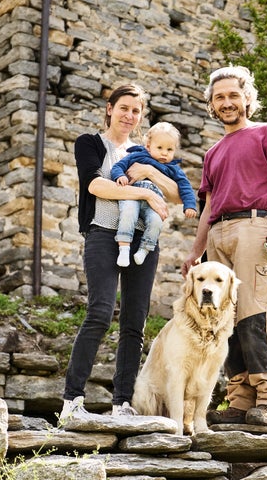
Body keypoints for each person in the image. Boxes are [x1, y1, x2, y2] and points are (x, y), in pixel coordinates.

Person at [182, 65, 267, 426]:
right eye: (220, 98)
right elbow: (209, 207)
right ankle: (240, 400)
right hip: (219, 231)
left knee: (254, 313)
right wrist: (195, 252)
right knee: (223, 319)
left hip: (255, 224)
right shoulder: (213, 153)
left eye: (234, 95)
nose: (227, 102)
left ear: (247, 98)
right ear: (212, 106)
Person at [60, 83, 182, 424]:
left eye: (136, 110)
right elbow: (95, 185)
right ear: (110, 108)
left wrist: (149, 174)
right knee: (99, 312)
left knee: (134, 322)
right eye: (124, 107)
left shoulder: (146, 152)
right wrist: (144, 195)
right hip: (102, 233)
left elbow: (174, 193)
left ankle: (122, 403)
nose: (130, 115)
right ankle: (72, 401)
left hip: (145, 241)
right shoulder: (91, 143)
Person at [111, 122, 197, 267]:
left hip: (154, 203)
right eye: (160, 148)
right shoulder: (137, 156)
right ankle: (124, 248)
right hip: (133, 195)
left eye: (169, 149)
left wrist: (190, 205)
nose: (164, 153)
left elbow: (185, 187)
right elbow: (118, 166)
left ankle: (144, 249)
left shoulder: (173, 168)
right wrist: (119, 176)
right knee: (128, 213)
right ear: (148, 146)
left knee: (157, 222)